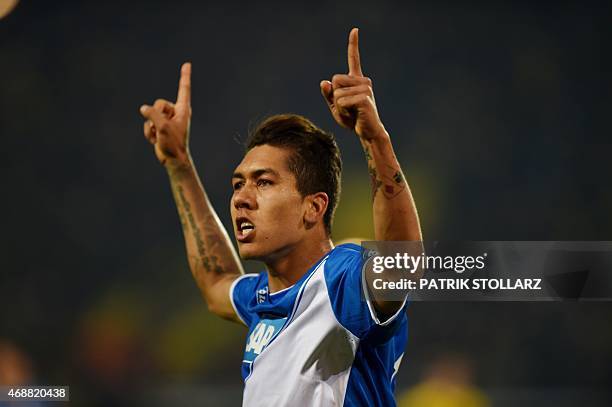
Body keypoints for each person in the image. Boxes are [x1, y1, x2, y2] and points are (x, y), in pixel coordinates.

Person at [139, 28, 422, 406]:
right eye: (238, 184)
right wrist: (179, 164)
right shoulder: (261, 297)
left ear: (314, 207)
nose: (241, 198)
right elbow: (216, 281)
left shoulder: (339, 281)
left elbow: (402, 265)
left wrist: (374, 138)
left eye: (264, 182)